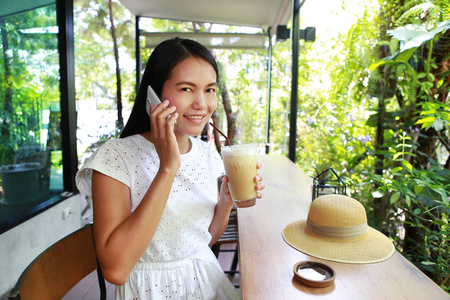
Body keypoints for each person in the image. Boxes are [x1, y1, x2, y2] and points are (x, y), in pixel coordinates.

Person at [76, 37, 265, 299]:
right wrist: (167, 168)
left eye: (209, 89)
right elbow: (116, 270)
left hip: (206, 283)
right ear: (154, 96)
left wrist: (225, 201)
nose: (202, 103)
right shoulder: (115, 158)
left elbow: (202, 241)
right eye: (186, 89)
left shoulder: (208, 155)